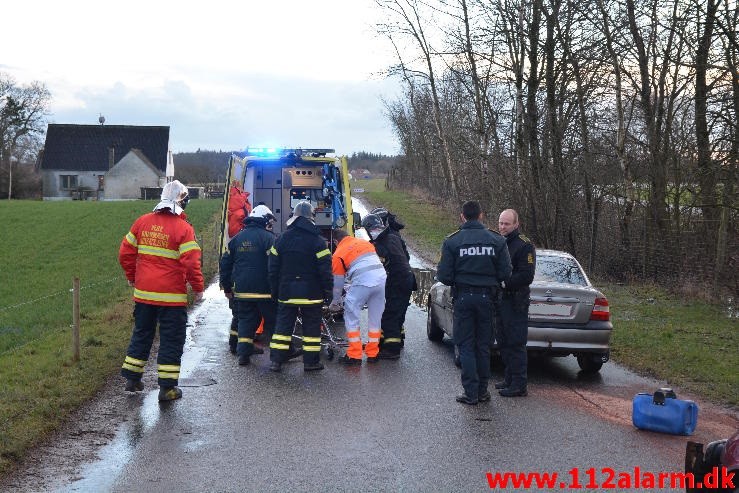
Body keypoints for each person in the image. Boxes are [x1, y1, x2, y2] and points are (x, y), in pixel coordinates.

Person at [119, 180, 204, 402]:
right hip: (171, 298)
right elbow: (192, 263)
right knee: (171, 340)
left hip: (144, 295)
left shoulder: (142, 222)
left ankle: (132, 379)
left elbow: (125, 254)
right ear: (182, 202)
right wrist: (198, 289)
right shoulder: (184, 229)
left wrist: (132, 277)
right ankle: (167, 389)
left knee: (142, 334)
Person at [436, 200, 511, 405]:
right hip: (488, 299)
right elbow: (506, 272)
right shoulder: (496, 241)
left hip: (463, 298)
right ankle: (483, 391)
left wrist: (461, 280)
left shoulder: (453, 241)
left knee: (466, 345)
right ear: (481, 216)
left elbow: (443, 275)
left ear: (462, 216)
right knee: (483, 346)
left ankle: (470, 393)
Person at [268, 201, 333, 372]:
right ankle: (311, 363)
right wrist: (328, 291)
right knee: (311, 329)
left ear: (294, 217)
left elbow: (272, 269)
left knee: (282, 328)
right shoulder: (319, 242)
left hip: (286, 292)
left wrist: (274, 290)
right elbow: (325, 270)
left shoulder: (281, 239)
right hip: (312, 293)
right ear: (311, 218)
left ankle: (276, 361)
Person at [219, 205, 277, 366]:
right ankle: (278, 356)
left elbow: (225, 264)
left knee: (245, 322)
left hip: (243, 290)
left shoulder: (237, 239)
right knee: (274, 322)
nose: (270, 225)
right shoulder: (269, 239)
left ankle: (243, 355)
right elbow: (274, 265)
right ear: (264, 220)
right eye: (269, 222)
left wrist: (227, 287)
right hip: (265, 291)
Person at [328, 228, 386, 365]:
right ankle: (373, 353)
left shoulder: (338, 254)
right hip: (381, 279)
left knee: (351, 314)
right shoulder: (365, 243)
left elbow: (338, 283)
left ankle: (354, 355)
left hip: (363, 282)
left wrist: (336, 302)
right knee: (375, 318)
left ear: (336, 241)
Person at [361, 213, 415, 359]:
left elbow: (378, 268)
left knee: (389, 316)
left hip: (397, 282)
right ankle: (391, 342)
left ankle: (392, 350)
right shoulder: (393, 237)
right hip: (406, 280)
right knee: (397, 313)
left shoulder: (380, 244)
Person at [495, 208, 536, 397]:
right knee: (503, 341)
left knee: (515, 342)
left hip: (516, 301)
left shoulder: (524, 245)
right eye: (501, 223)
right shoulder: (499, 242)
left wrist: (504, 282)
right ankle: (509, 378)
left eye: (507, 224)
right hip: (501, 300)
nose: (502, 227)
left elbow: (526, 275)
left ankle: (519, 384)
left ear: (516, 225)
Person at [225, 180, 252, 353]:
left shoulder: (233, 209)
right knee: (248, 315)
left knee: (239, 314)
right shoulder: (242, 210)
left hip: (238, 282)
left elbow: (226, 264)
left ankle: (235, 345)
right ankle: (243, 348)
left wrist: (226, 286)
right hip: (250, 285)